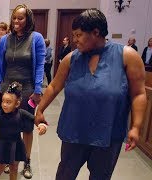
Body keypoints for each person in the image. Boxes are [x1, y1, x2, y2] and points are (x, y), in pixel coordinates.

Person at [35, 9, 147, 180]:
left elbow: (138, 93)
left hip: (108, 132)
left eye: (79, 35)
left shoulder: (127, 56)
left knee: (101, 176)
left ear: (96, 32)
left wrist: (136, 126)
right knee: (65, 173)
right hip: (74, 130)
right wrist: (40, 109)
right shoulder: (71, 59)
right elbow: (54, 86)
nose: (75, 40)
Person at [0, 4, 46, 179]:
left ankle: (27, 161)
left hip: (27, 89)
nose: (16, 21)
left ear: (28, 19)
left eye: (20, 18)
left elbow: (39, 66)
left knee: (26, 127)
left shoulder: (36, 38)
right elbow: (0, 66)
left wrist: (38, 89)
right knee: (8, 125)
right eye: (14, 17)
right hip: (7, 88)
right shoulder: (6, 40)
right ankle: (10, 160)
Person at [0, 82, 47, 180]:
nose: (4, 105)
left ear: (17, 103)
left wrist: (41, 124)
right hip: (3, 145)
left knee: (14, 169)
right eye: (3, 101)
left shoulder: (21, 113)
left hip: (16, 145)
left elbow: (34, 118)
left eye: (8, 102)